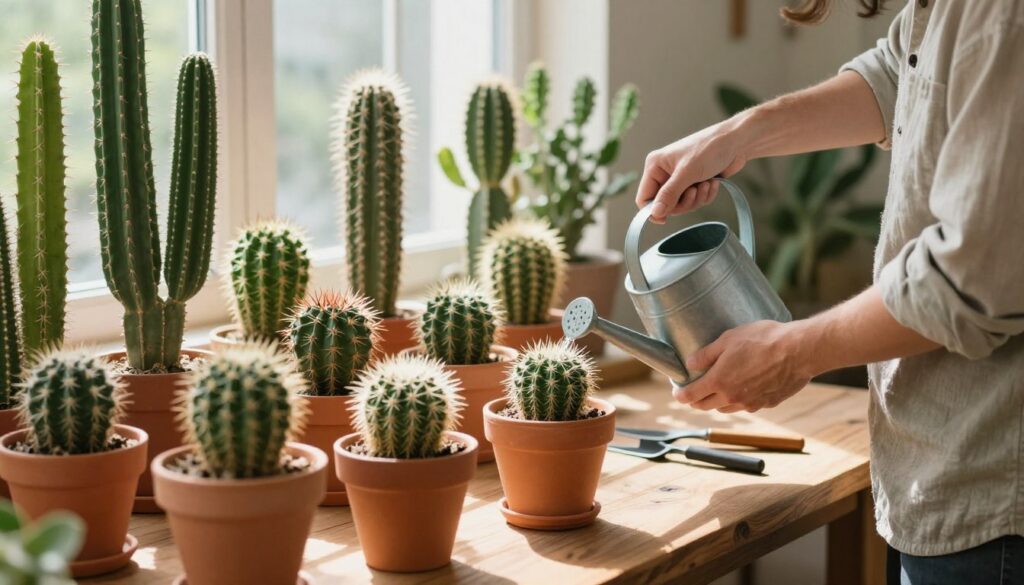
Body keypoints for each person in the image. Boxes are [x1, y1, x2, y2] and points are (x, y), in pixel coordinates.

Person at [634, 1, 1024, 583]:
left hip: (995, 494)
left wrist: (790, 352)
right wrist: (738, 135)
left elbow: (971, 280)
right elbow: (901, 71)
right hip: (939, 479)